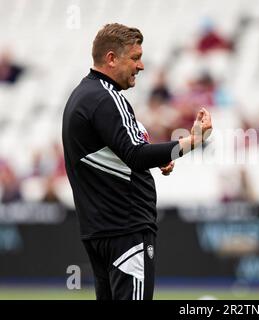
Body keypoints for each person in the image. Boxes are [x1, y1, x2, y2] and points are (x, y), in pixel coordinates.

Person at [62, 23, 212, 300]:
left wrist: (156, 158)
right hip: (126, 231)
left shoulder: (83, 96)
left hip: (100, 231)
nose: (141, 66)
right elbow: (136, 155)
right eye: (135, 57)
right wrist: (192, 142)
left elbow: (122, 153)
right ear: (111, 58)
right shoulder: (107, 97)